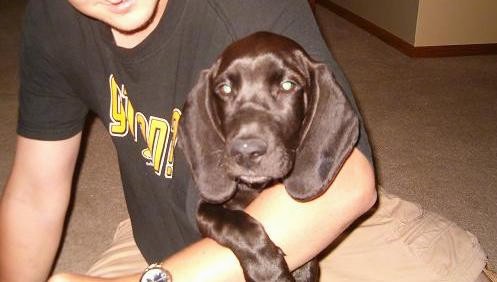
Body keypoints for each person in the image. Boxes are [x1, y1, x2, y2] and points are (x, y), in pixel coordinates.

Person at [0, 0, 491, 281]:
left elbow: (345, 184)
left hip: (309, 205)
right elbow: (35, 192)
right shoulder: (53, 23)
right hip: (181, 230)